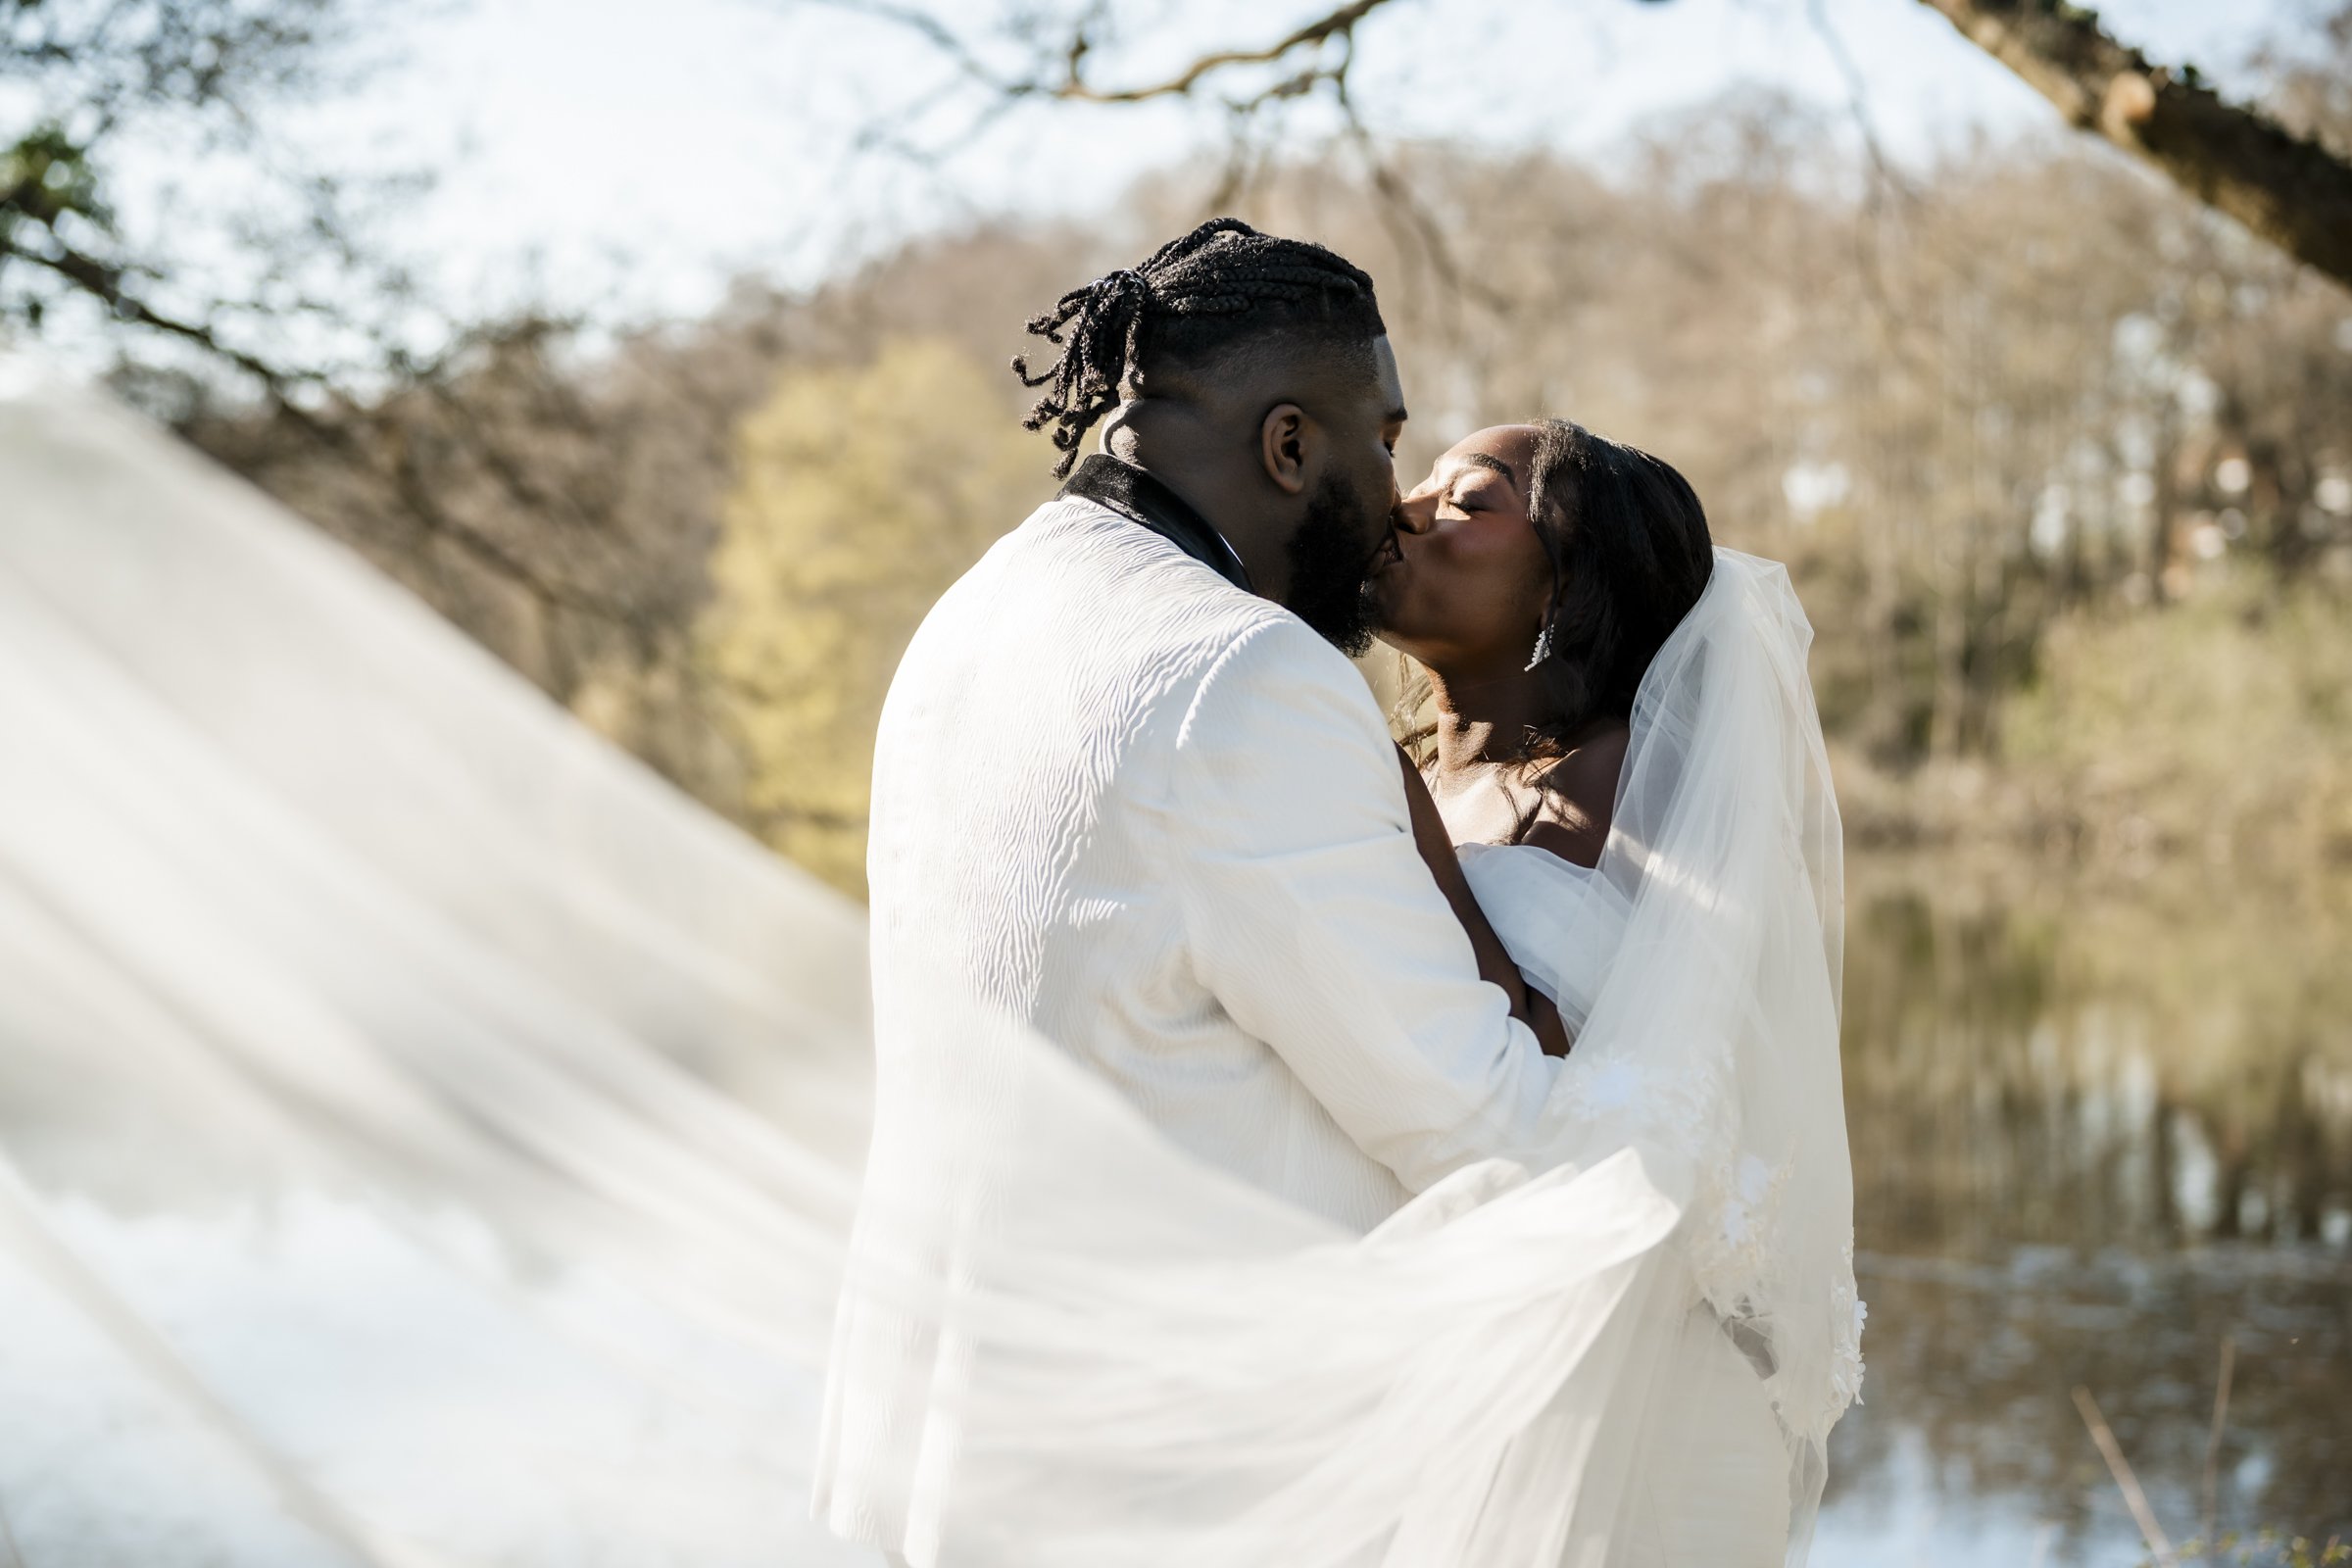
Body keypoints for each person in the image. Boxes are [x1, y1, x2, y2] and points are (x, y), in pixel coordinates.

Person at [1376, 419, 1839, 1563]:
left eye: (1469, 501)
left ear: (1566, 590)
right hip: (1461, 1371)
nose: (1407, 508)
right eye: (1421, 481)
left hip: (1628, 1435)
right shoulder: (1412, 769)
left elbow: (1574, 1095)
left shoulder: (1633, 784)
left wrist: (1411, 834)